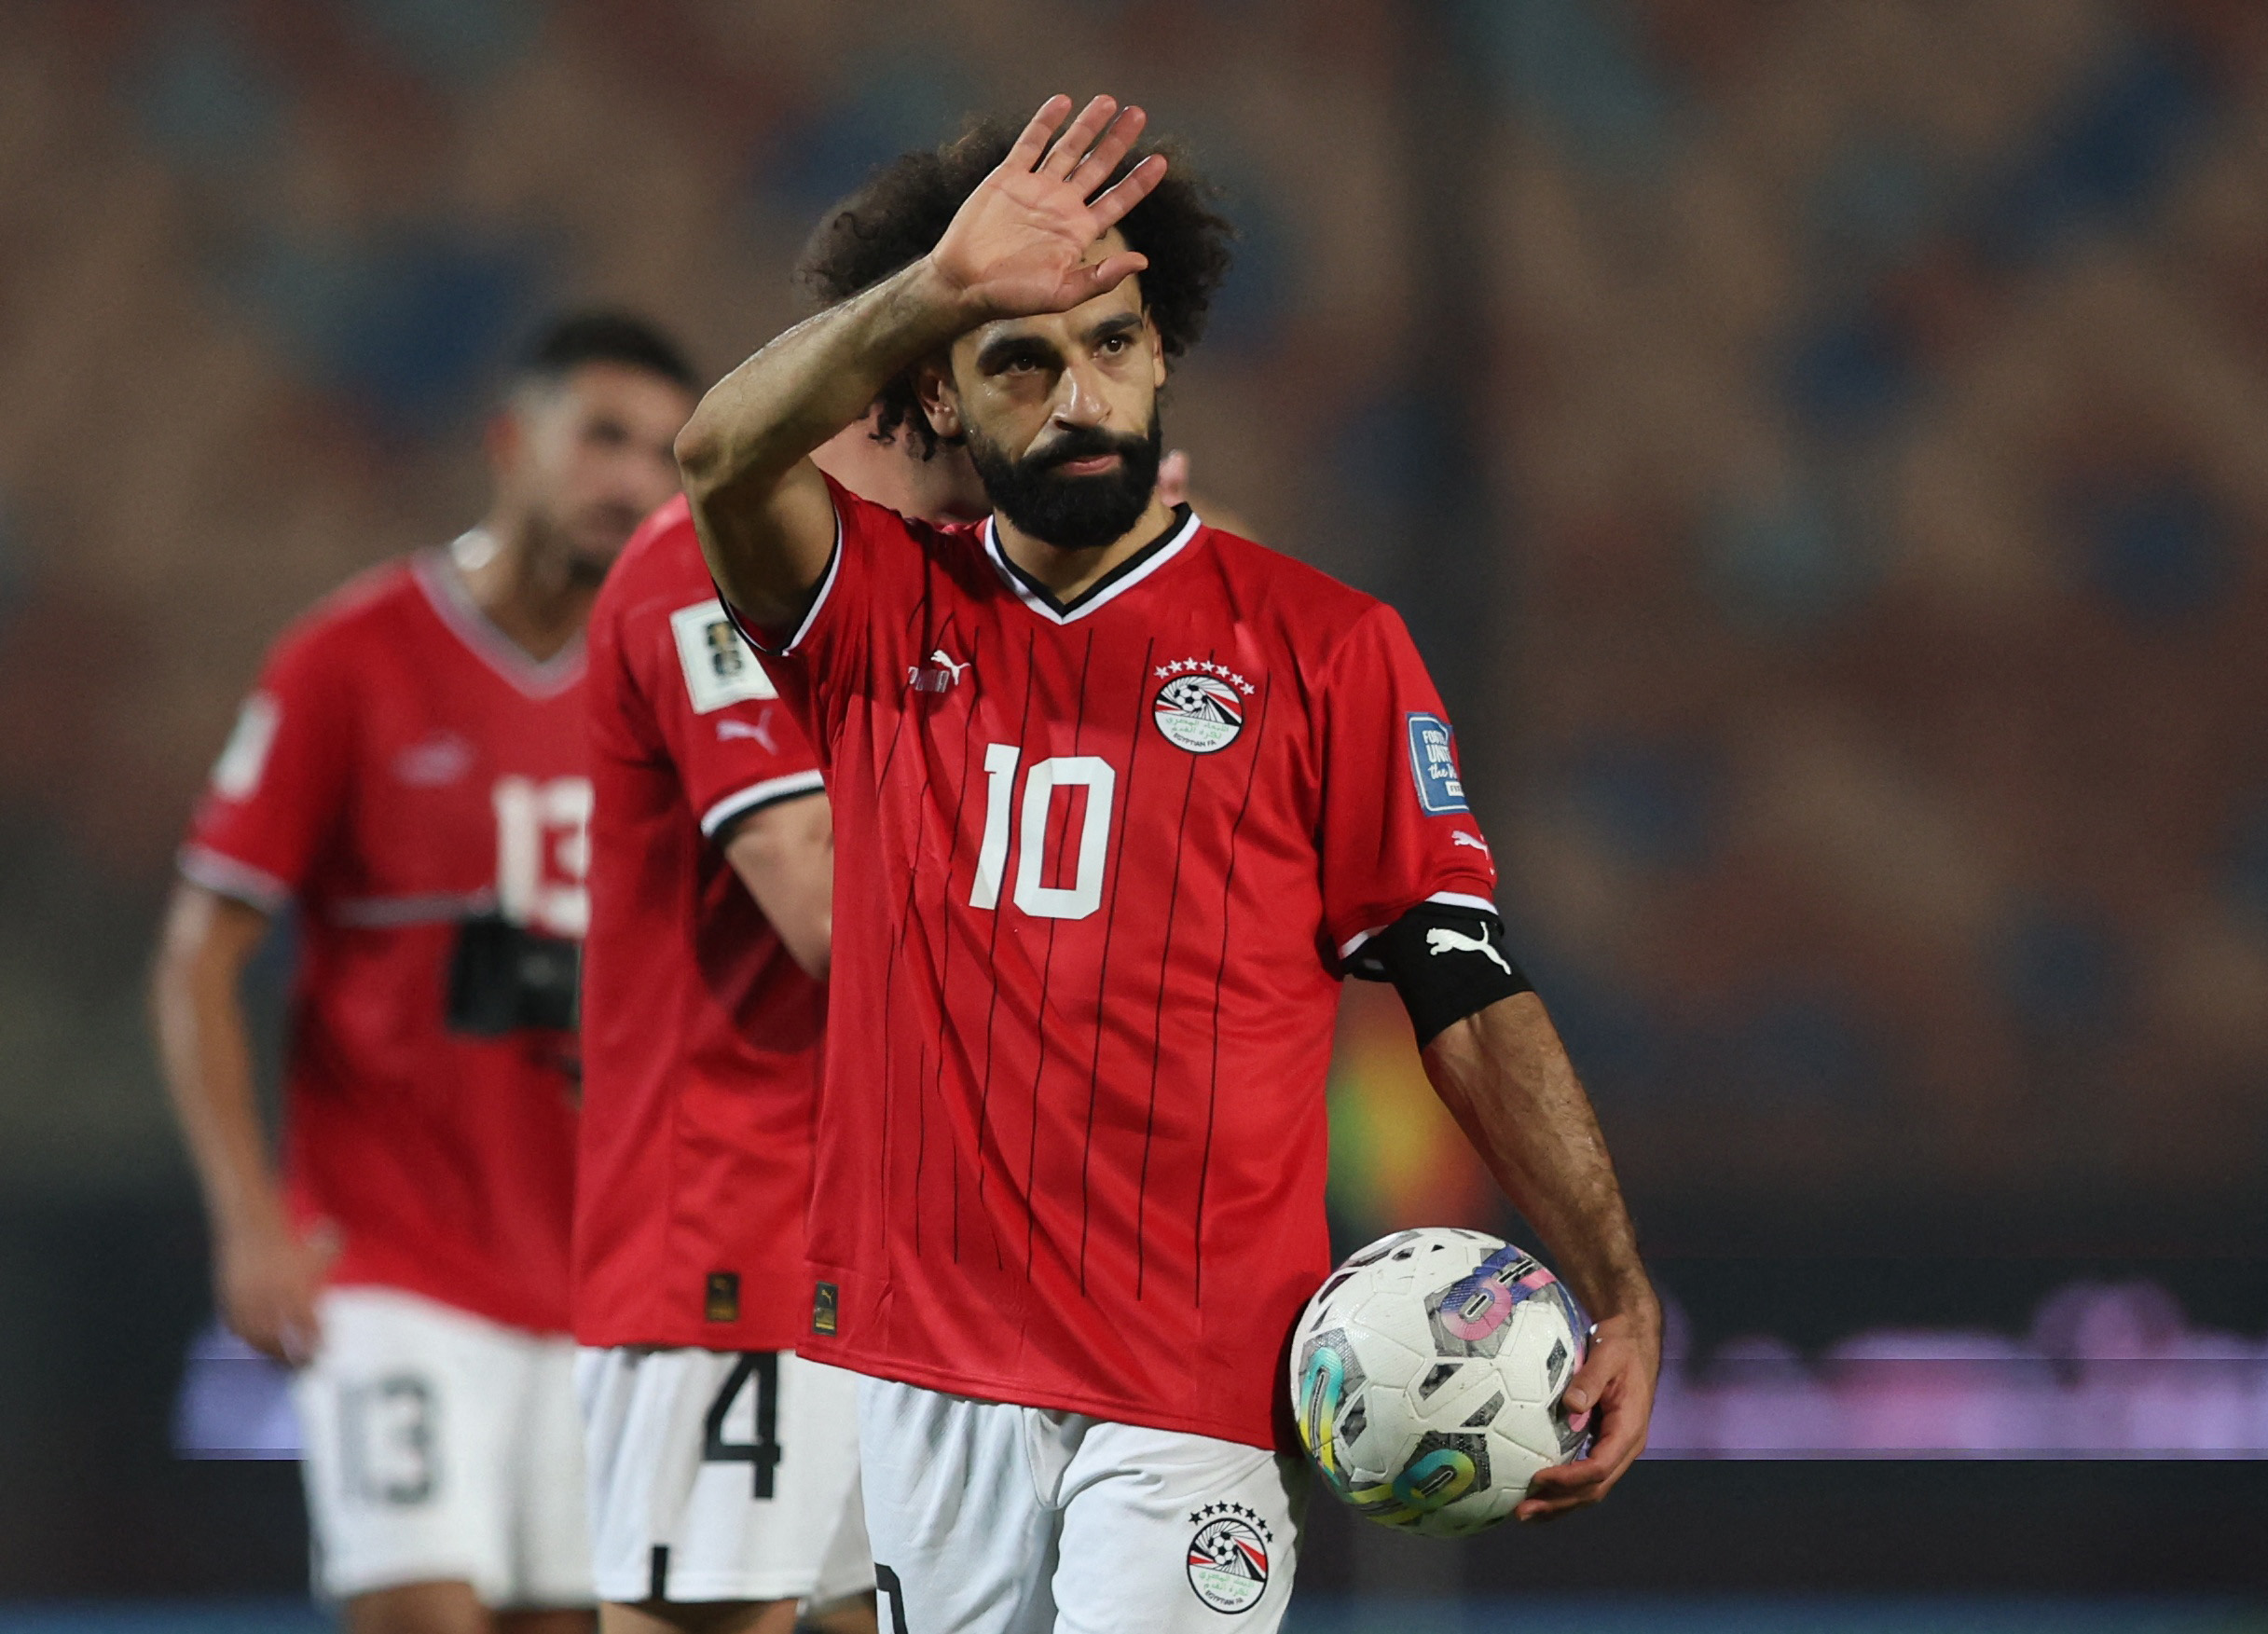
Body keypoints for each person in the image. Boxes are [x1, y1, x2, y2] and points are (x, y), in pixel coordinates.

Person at [673, 97, 1662, 1631]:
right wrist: (940, 284)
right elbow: (722, 454)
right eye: (1021, 357)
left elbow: (1462, 980)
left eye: (1116, 346)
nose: (1081, 395)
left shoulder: (1327, 647)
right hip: (926, 1370)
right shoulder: (877, 615)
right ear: (934, 394)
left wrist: (1614, 1280)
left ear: (1160, 357)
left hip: (1192, 1386)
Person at [152, 312, 697, 1634]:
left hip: (608, 1274)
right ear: (512, 443)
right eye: (603, 437)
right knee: (420, 1614)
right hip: (392, 1262)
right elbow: (197, 956)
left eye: (666, 456)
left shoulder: (684, 684)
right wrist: (249, 1219)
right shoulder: (351, 659)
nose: (631, 480)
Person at [572, 408, 983, 1634]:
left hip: (883, 1242)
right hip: (732, 1223)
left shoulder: (937, 574)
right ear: (927, 386)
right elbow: (818, 902)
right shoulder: (699, 564)